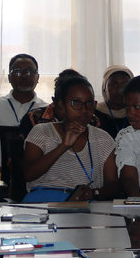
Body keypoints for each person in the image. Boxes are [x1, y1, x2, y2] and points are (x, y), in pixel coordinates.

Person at [23, 73, 120, 201]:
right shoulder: (42, 131)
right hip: (44, 200)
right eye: (76, 103)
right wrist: (63, 146)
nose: (84, 109)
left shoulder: (103, 138)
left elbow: (113, 184)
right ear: (61, 105)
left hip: (83, 203)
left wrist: (94, 193)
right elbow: (29, 175)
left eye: (89, 103)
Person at [0, 53, 46, 199]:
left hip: (36, 180)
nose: (24, 76)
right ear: (9, 77)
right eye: (17, 71)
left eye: (29, 71)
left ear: (37, 77)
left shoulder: (46, 111)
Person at [95, 64, 134, 138]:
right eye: (114, 84)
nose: (119, 90)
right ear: (104, 88)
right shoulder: (94, 113)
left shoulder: (136, 114)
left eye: (125, 85)